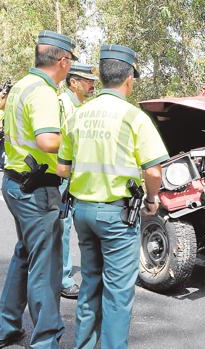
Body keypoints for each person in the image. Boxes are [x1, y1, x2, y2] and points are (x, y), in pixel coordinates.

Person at [56, 44, 168, 349]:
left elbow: (62, 169)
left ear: (102, 77)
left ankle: (83, 344)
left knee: (90, 283)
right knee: (118, 292)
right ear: (129, 79)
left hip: (83, 213)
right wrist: (151, 199)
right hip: (117, 217)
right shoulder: (134, 117)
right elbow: (154, 172)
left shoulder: (78, 115)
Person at [0, 30, 76, 349]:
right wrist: (79, 146)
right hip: (37, 190)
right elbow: (47, 140)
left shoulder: (22, 86)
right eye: (70, 64)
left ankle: (6, 327)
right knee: (46, 266)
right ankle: (45, 341)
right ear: (63, 61)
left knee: (24, 254)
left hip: (15, 183)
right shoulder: (42, 92)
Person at [57, 62, 98, 299]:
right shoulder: (62, 104)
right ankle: (63, 279)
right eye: (87, 80)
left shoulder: (80, 105)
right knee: (62, 228)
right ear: (74, 82)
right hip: (63, 175)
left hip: (75, 175)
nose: (92, 84)